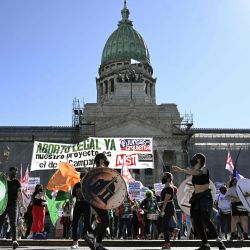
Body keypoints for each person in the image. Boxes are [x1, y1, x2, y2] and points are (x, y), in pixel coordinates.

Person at [172, 153, 226, 250]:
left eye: (195, 158)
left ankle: (219, 242)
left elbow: (197, 173)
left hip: (205, 197)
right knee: (196, 221)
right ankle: (205, 244)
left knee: (206, 220)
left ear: (199, 160)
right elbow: (193, 175)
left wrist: (182, 170)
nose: (193, 159)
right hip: (196, 197)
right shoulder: (194, 171)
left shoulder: (204, 169)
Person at [0, 167, 24, 249]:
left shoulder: (16, 182)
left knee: (13, 223)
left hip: (13, 205)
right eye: (13, 172)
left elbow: (19, 193)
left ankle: (14, 241)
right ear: (9, 171)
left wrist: (22, 204)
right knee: (0, 222)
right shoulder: (3, 180)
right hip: (3, 205)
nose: (14, 174)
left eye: (16, 173)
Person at [91, 153, 111, 250]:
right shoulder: (98, 170)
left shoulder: (99, 169)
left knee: (105, 221)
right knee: (106, 220)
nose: (106, 160)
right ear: (100, 160)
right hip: (97, 199)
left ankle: (98, 244)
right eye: (104, 159)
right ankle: (92, 235)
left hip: (99, 199)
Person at [71, 172, 95, 249]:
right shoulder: (77, 185)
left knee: (88, 223)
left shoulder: (90, 185)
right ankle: (75, 242)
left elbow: (93, 195)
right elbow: (73, 195)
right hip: (78, 204)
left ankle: (93, 240)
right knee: (75, 223)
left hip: (87, 204)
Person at [159, 172, 176, 250]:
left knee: (164, 225)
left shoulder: (169, 187)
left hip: (168, 209)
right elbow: (164, 200)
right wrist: (160, 203)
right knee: (162, 224)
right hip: (167, 207)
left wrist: (162, 210)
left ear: (168, 179)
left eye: (164, 177)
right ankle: (174, 230)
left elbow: (166, 200)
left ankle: (167, 243)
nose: (163, 178)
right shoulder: (166, 187)